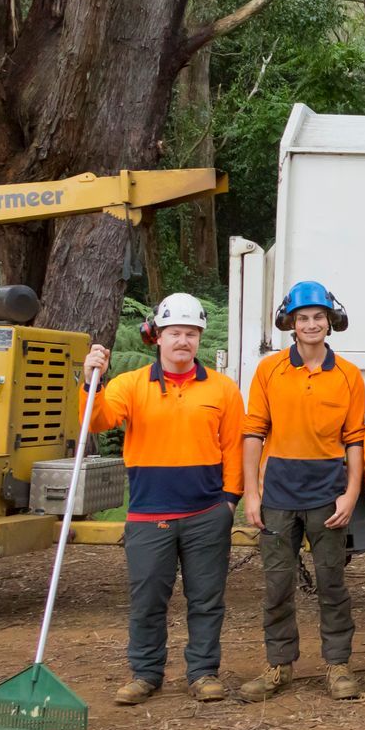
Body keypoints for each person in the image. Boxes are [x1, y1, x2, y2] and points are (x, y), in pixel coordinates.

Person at [81, 293, 245, 706]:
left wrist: (229, 501)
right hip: (148, 513)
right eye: (175, 333)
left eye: (191, 333)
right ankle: (145, 673)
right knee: (148, 599)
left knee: (206, 599)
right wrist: (90, 382)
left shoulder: (223, 389)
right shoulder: (130, 385)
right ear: (158, 337)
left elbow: (234, 449)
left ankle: (204, 672)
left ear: (199, 338)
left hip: (207, 512)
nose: (183, 341)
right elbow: (98, 420)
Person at [236, 281, 365, 704]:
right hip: (277, 496)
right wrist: (252, 494)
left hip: (327, 496)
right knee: (276, 584)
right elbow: (254, 432)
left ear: (331, 322)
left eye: (318, 317)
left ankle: (338, 664)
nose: (311, 324)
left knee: (331, 582)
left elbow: (355, 440)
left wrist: (351, 494)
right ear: (290, 323)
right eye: (303, 317)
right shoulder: (269, 370)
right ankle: (278, 665)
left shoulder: (347, 375)